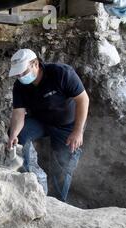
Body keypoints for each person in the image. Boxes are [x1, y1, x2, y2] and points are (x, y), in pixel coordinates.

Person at [7, 49, 90, 202]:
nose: (20, 77)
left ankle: (58, 202)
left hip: (67, 125)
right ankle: (26, 179)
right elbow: (18, 113)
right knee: (17, 135)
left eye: (23, 72)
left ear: (36, 64)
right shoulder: (19, 86)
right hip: (41, 121)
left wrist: (78, 131)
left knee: (62, 164)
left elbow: (83, 100)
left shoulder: (61, 73)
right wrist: (13, 134)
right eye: (17, 75)